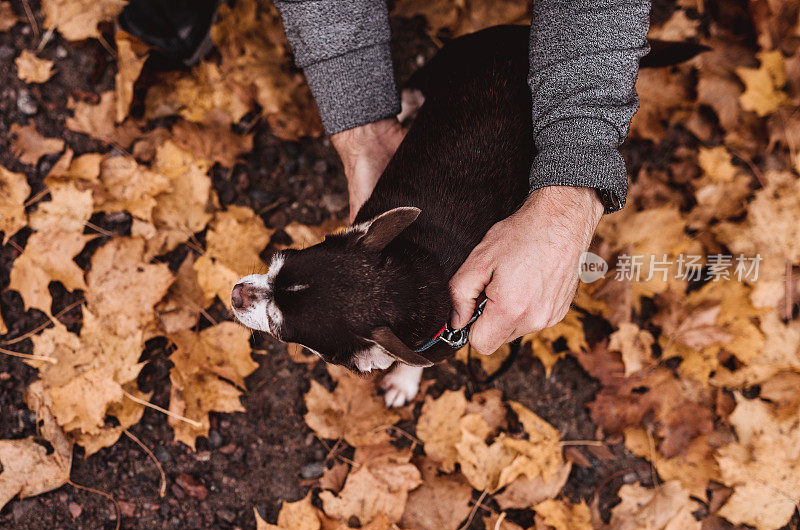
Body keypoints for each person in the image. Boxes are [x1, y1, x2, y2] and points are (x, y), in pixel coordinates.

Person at [121, 0, 651, 356]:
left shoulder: (394, 330)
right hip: (479, 74)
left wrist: (571, 193)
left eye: (275, 302)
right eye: (275, 270)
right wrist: (359, 121)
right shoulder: (390, 306)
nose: (244, 293)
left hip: (517, 63)